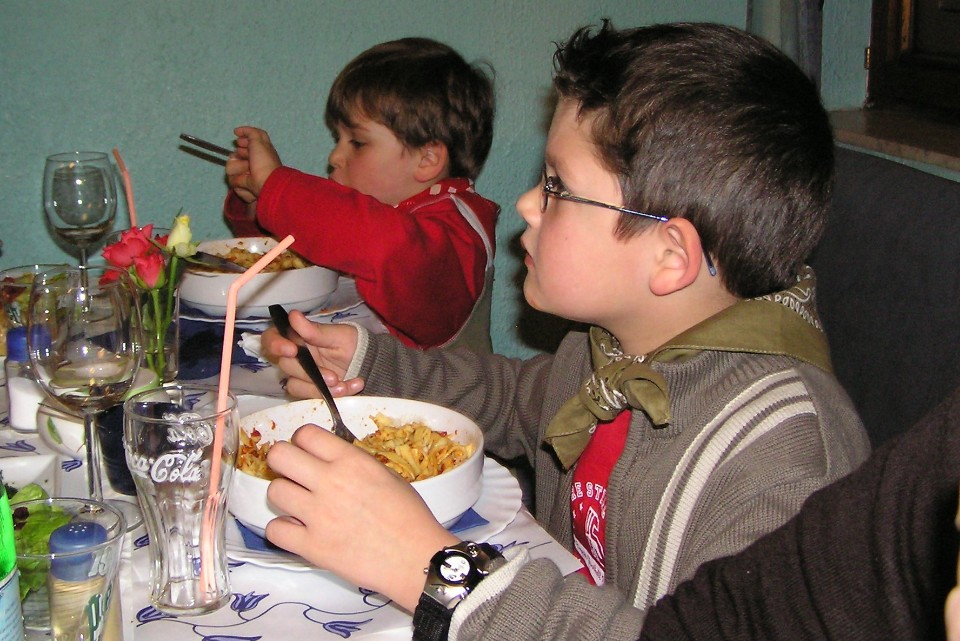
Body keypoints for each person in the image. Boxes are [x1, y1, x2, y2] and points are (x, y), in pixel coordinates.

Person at [260, 21, 873, 640]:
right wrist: (372, 363)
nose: (526, 204)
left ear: (669, 256)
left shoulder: (786, 462)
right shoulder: (610, 347)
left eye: (557, 186)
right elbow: (512, 398)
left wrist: (435, 572)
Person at [224, 37, 499, 352]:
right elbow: (304, 254)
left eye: (357, 142)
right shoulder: (370, 220)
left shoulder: (454, 234)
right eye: (337, 138)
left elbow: (382, 246)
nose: (334, 157)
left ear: (427, 159)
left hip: (435, 387)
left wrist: (277, 186)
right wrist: (258, 204)